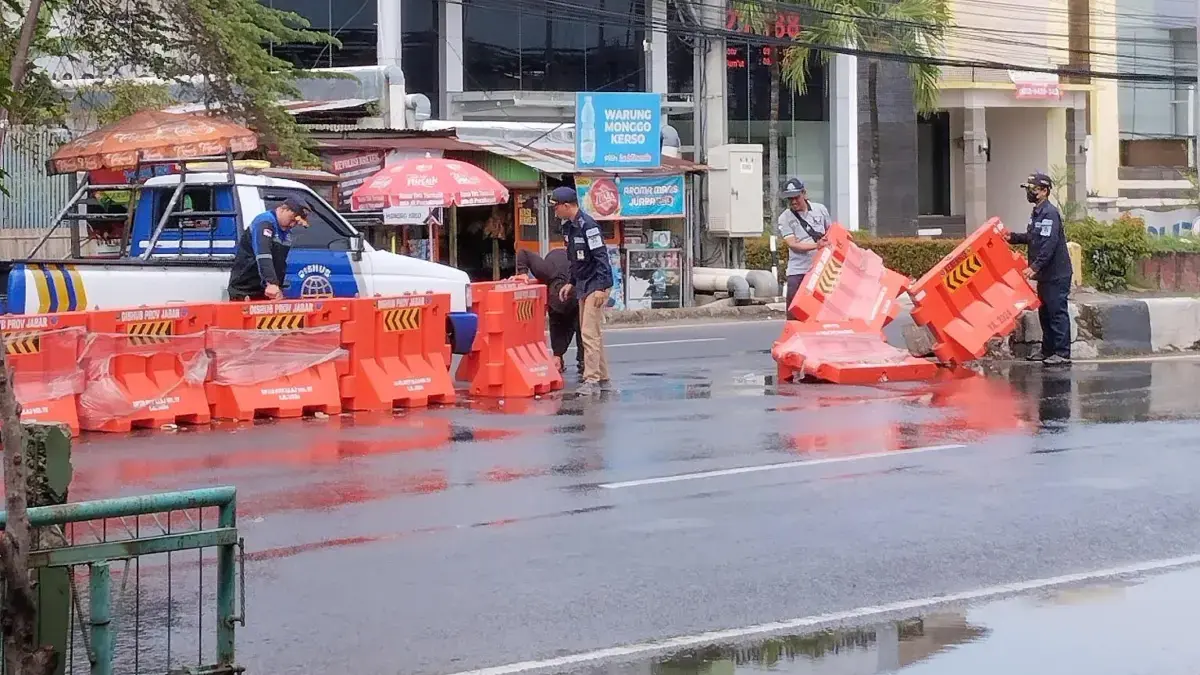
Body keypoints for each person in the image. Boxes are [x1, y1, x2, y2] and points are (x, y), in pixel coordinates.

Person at [550, 186, 613, 396]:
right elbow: (576, 261)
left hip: (596, 284)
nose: (555, 211)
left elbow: (601, 258)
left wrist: (603, 288)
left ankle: (591, 380)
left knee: (588, 333)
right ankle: (603, 379)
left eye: (556, 206)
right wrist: (570, 282)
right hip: (583, 283)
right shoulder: (569, 228)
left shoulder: (589, 227)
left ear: (567, 206)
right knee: (593, 333)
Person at [1007, 171, 1072, 366]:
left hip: (1056, 274)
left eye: (1033, 189)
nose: (1030, 193)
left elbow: (1049, 244)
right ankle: (1048, 350)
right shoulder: (1037, 212)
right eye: (1028, 189)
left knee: (1056, 312)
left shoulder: (1050, 213)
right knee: (1045, 313)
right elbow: (1033, 237)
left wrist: (1034, 267)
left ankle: (1062, 353)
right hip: (1045, 275)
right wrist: (1013, 237)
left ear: (1044, 191)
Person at [515, 248, 584, 376]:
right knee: (557, 322)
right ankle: (559, 357)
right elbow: (524, 252)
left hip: (576, 293)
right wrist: (523, 272)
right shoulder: (545, 271)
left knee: (582, 326)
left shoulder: (578, 279)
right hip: (556, 263)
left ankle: (583, 361)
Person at [228, 197, 310, 301]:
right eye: (292, 219)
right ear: (283, 209)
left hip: (265, 292)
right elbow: (263, 254)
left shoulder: (286, 234)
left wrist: (278, 287)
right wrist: (271, 283)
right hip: (245, 290)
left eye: (296, 223)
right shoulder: (264, 222)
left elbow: (280, 263)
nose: (292, 224)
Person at [775, 177, 832, 307]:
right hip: (798, 270)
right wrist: (816, 246)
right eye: (790, 199)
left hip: (821, 268)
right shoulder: (784, 218)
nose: (794, 202)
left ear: (804, 194)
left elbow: (830, 231)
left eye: (797, 197)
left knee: (821, 307)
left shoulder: (820, 209)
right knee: (794, 307)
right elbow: (793, 244)